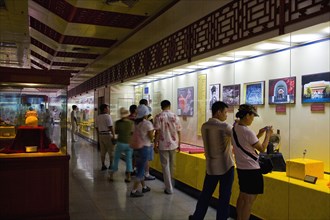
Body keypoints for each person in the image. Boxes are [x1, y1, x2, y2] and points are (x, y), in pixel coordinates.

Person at [189, 101, 234, 220]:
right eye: (225, 112)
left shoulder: (204, 126)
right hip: (226, 167)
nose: (226, 115)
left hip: (211, 167)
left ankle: (197, 217)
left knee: (205, 195)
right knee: (224, 197)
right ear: (218, 112)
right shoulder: (225, 127)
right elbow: (238, 139)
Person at [232, 104, 273, 220]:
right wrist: (268, 135)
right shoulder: (247, 131)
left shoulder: (235, 127)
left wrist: (260, 134)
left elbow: (246, 142)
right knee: (249, 202)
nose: (253, 119)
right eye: (252, 116)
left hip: (241, 168)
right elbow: (262, 148)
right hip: (252, 170)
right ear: (247, 116)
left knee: (242, 196)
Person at [153, 100, 182, 194]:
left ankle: (169, 188)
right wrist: (179, 143)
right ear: (169, 106)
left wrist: (155, 144)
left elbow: (157, 132)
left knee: (165, 166)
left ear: (161, 107)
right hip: (174, 144)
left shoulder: (158, 116)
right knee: (172, 165)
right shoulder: (175, 116)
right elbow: (179, 131)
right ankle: (172, 184)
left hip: (163, 144)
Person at [130, 104, 154, 197]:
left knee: (140, 167)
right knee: (140, 170)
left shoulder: (136, 123)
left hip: (136, 148)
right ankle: (134, 190)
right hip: (144, 148)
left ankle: (144, 187)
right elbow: (151, 137)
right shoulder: (147, 123)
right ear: (145, 114)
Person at [109, 107, 134, 182]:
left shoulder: (117, 123)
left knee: (116, 159)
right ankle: (128, 177)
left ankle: (112, 176)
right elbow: (132, 133)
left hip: (120, 143)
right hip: (129, 144)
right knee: (129, 160)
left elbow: (116, 132)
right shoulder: (131, 123)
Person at [95, 104, 116, 171]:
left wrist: (99, 135)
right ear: (104, 109)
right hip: (108, 135)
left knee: (103, 151)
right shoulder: (108, 116)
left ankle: (103, 165)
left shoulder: (97, 117)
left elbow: (96, 127)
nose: (108, 109)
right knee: (111, 151)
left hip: (101, 135)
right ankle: (111, 165)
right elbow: (110, 127)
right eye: (107, 108)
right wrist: (114, 135)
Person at [139, 99, 156, 181]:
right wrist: (153, 140)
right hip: (146, 144)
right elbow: (150, 134)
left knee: (140, 163)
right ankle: (146, 174)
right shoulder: (147, 122)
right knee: (145, 161)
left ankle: (142, 184)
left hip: (138, 144)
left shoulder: (136, 122)